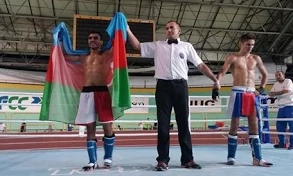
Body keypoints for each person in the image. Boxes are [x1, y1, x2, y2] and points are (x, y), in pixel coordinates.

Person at [127, 20, 220, 171]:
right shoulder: (158, 46)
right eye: (167, 28)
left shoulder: (187, 46)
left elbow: (200, 65)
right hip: (163, 87)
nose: (169, 30)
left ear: (179, 30)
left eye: (172, 27)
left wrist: (215, 79)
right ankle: (162, 160)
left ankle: (188, 159)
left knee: (184, 124)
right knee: (163, 125)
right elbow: (137, 46)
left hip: (181, 86)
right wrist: (127, 29)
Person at [217, 33, 273, 167]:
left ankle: (257, 158)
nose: (250, 47)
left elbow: (265, 75)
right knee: (234, 125)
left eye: (252, 45)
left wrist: (261, 89)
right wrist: (216, 86)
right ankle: (231, 156)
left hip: (251, 93)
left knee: (254, 125)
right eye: (248, 44)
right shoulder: (233, 57)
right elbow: (221, 72)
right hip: (238, 92)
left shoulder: (255, 58)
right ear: (241, 43)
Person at [65, 31, 115, 171]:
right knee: (90, 128)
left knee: (107, 127)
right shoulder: (82, 57)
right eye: (90, 38)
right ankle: (92, 161)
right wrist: (60, 38)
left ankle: (108, 158)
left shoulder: (106, 55)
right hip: (86, 93)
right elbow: (63, 55)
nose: (92, 40)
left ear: (101, 42)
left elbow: (119, 45)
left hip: (102, 92)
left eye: (95, 38)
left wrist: (120, 26)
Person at [269, 71, 293, 149]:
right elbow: (270, 93)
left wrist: (275, 93)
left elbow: (286, 91)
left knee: (292, 126)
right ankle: (282, 143)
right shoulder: (275, 84)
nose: (278, 76)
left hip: (290, 106)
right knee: (280, 126)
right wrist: (279, 93)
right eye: (276, 75)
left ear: (283, 75)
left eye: (279, 75)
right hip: (281, 107)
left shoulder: (288, 81)